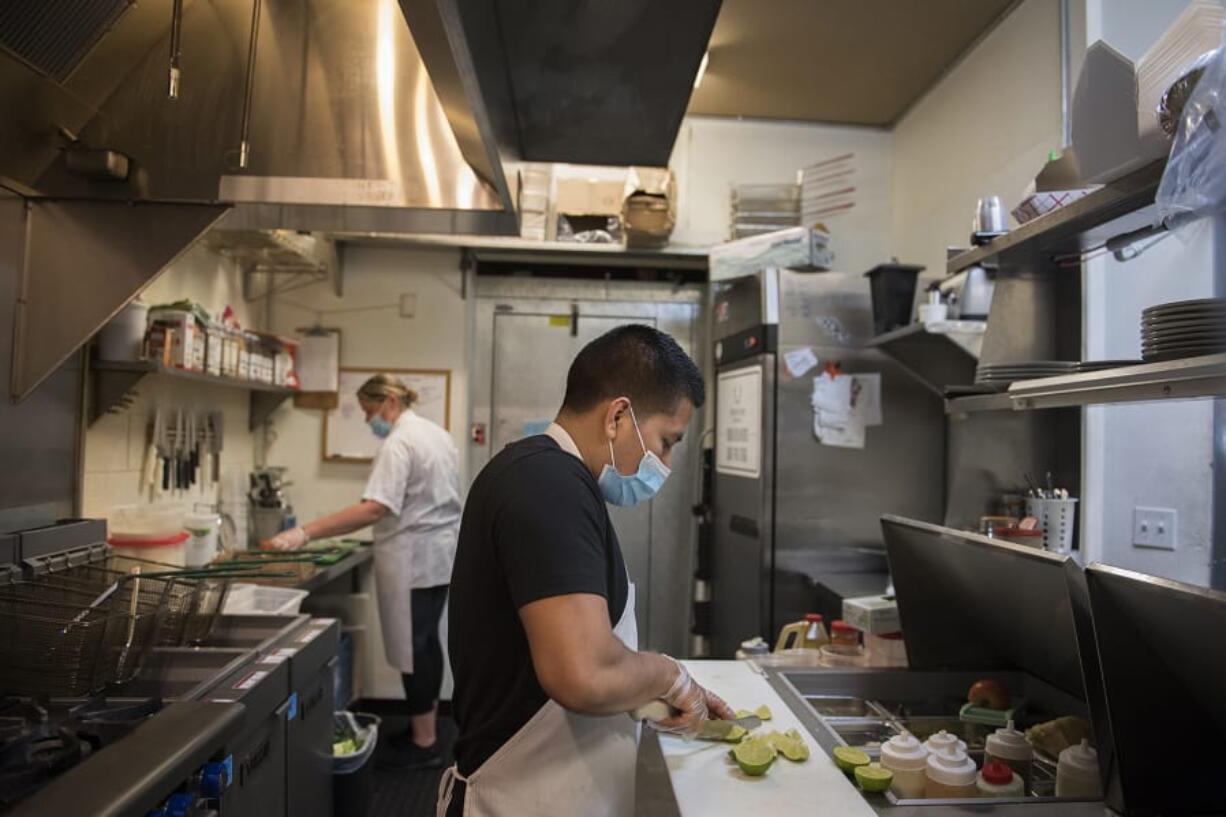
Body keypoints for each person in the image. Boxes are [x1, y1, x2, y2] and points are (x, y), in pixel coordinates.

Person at [440, 325, 733, 817]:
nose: (665, 461)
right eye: (667, 441)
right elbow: (583, 673)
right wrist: (670, 675)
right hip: (516, 798)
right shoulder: (547, 483)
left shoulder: (550, 477)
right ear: (618, 415)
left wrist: (661, 696)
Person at [267, 373, 460, 769]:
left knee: (413, 650)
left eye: (370, 411)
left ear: (389, 402)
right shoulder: (436, 434)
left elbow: (375, 507)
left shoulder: (400, 442)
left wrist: (303, 533)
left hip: (413, 559)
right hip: (437, 556)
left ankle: (425, 743)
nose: (370, 421)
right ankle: (426, 730)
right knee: (424, 646)